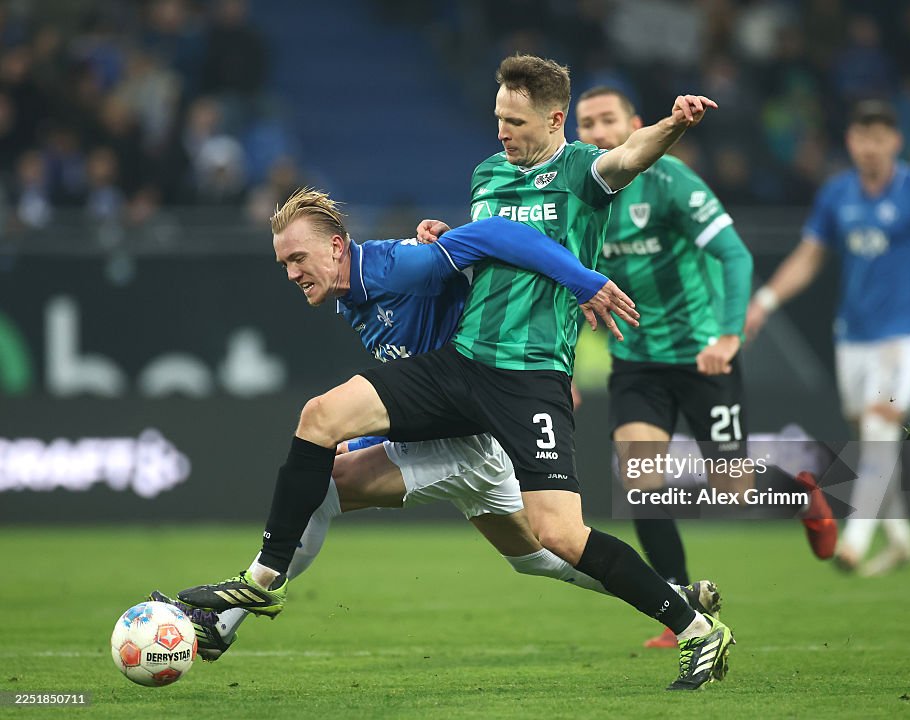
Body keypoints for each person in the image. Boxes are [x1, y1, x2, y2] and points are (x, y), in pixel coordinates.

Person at [179, 54, 732, 691]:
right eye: (498, 118)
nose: (502, 131)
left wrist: (673, 126)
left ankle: (693, 626)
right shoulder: (487, 175)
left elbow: (622, 159)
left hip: (529, 377)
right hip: (463, 363)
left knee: (556, 537)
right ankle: (250, 593)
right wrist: (449, 245)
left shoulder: (582, 170)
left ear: (555, 120)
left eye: (515, 121)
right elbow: (478, 257)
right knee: (321, 422)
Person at [574, 86, 837, 649]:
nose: (596, 131)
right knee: (641, 480)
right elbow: (566, 285)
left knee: (733, 489)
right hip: (637, 364)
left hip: (702, 357)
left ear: (635, 125)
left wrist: (728, 335)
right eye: (586, 123)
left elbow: (734, 254)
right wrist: (564, 366)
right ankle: (679, 608)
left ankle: (800, 495)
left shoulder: (671, 181)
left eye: (607, 119)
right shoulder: (579, 195)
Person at [744, 99, 910, 576]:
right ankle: (900, 538)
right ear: (851, 141)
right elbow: (809, 256)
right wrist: (765, 301)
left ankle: (855, 541)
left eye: (880, 138)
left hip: (905, 333)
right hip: (853, 335)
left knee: (881, 426)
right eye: (863, 138)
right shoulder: (837, 194)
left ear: (895, 142)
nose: (870, 147)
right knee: (870, 436)